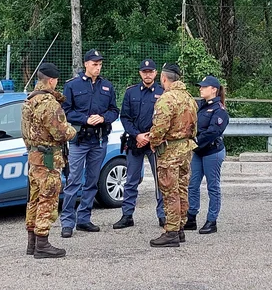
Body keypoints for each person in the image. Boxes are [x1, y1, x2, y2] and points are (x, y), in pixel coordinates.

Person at [60, 49, 119, 238]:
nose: (98, 67)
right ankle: (67, 222)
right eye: (94, 64)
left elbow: (114, 111)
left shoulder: (107, 86)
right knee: (74, 181)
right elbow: (65, 112)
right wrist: (86, 119)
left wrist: (102, 118)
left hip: (99, 140)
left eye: (100, 64)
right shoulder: (72, 86)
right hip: (80, 140)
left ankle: (84, 219)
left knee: (92, 182)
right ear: (86, 64)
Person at [21, 63, 77, 259]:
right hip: (48, 158)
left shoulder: (28, 101)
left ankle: (32, 243)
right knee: (48, 198)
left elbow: (25, 133)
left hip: (34, 156)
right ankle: (43, 242)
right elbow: (61, 132)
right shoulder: (50, 103)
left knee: (34, 199)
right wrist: (72, 129)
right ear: (52, 81)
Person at [148, 63, 198, 247]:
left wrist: (153, 142)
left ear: (163, 78)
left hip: (170, 152)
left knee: (170, 191)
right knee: (182, 189)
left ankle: (171, 232)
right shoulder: (189, 98)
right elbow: (194, 126)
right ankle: (180, 228)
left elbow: (159, 128)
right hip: (186, 149)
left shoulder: (166, 99)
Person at [113, 59, 166, 230]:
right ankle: (127, 215)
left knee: (160, 181)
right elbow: (125, 117)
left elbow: (164, 118)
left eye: (151, 71)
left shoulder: (163, 92)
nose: (148, 74)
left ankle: (163, 215)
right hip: (135, 141)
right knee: (131, 181)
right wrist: (137, 135)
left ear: (156, 73)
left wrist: (150, 136)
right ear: (140, 73)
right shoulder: (131, 92)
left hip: (154, 143)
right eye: (145, 71)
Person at [185, 75, 229, 235]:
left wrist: (193, 141)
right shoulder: (200, 106)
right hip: (198, 152)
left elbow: (213, 132)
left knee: (213, 187)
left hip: (212, 152)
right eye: (201, 86)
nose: (200, 89)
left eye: (204, 86)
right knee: (193, 184)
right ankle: (191, 217)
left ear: (214, 90)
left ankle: (212, 221)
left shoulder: (220, 110)